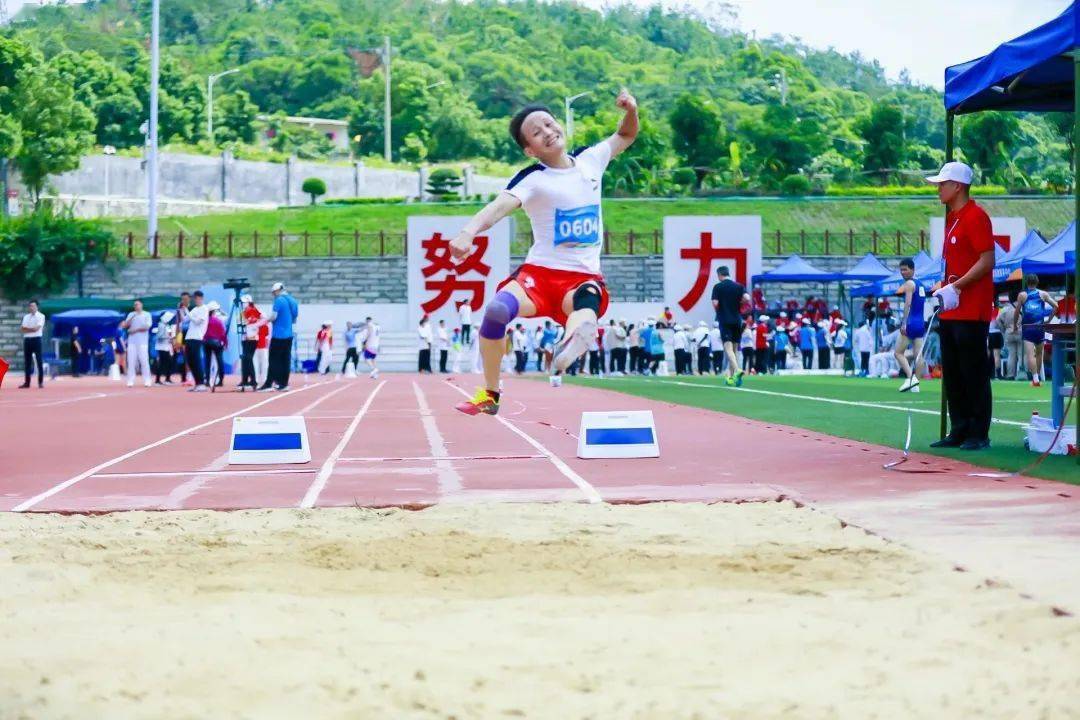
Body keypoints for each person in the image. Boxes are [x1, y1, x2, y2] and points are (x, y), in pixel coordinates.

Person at [450, 88, 638, 414]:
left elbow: (626, 133)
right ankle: (490, 394)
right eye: (537, 133)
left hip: (580, 278)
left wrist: (631, 109)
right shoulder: (532, 179)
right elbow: (498, 207)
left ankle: (570, 343)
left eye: (550, 125)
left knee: (586, 302)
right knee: (495, 313)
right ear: (529, 149)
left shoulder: (591, 160)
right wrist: (468, 232)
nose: (548, 133)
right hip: (537, 276)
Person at [928, 161, 996, 451]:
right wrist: (944, 286)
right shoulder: (953, 219)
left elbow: (987, 260)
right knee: (953, 370)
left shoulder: (976, 217)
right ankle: (960, 428)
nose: (938, 189)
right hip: (952, 306)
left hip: (972, 308)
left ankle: (978, 432)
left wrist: (956, 286)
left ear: (957, 186)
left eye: (943, 184)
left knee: (973, 370)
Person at [1014, 273, 1058, 388]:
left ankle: (1035, 379)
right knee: (1039, 354)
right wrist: (1049, 320)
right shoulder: (1043, 294)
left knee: (1030, 354)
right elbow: (1056, 306)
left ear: (1026, 283)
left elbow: (1016, 311)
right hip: (1040, 327)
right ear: (1037, 282)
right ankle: (1037, 377)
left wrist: (1014, 325)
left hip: (1028, 327)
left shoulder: (1022, 295)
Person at [892, 258, 928, 392]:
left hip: (911, 322)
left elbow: (908, 304)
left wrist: (904, 322)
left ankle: (910, 378)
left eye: (905, 269)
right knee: (919, 355)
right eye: (901, 270)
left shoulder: (909, 284)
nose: (903, 272)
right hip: (920, 323)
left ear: (912, 269)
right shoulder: (921, 285)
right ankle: (916, 384)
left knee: (898, 353)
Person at [711, 266, 749, 386]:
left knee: (728, 349)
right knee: (735, 349)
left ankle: (737, 371)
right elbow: (747, 298)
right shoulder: (739, 286)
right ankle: (734, 378)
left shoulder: (718, 287)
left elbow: (715, 303)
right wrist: (739, 302)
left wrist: (720, 308)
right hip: (737, 320)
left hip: (725, 320)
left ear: (719, 274)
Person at [259, 282, 299, 392]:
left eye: (274, 292)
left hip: (278, 335)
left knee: (273, 360)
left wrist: (264, 321)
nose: (273, 295)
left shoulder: (279, 300)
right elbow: (295, 317)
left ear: (278, 290)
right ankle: (283, 383)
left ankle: (269, 383)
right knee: (285, 360)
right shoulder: (292, 300)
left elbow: (273, 316)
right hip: (289, 335)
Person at [121, 298, 153, 388]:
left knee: (144, 361)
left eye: (138, 304)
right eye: (135, 305)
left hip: (142, 342)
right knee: (131, 361)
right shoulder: (131, 314)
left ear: (141, 305)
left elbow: (147, 327)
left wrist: (136, 330)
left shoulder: (147, 314)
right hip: (132, 342)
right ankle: (130, 380)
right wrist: (130, 320)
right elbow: (125, 325)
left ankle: (147, 380)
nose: (136, 306)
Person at [184, 291, 210, 392]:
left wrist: (186, 311)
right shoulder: (195, 309)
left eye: (196, 298)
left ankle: (201, 383)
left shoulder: (204, 309)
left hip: (197, 337)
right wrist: (182, 310)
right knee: (190, 361)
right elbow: (185, 319)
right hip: (189, 337)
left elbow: (197, 321)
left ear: (201, 298)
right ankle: (197, 383)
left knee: (196, 360)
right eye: (194, 298)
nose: (195, 300)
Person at [241, 296, 268, 390]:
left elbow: (265, 320)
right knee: (251, 361)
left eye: (245, 302)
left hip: (256, 340)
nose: (243, 304)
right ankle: (252, 380)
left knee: (261, 362)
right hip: (247, 339)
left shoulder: (256, 310)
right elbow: (242, 324)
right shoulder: (242, 312)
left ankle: (261, 380)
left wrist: (255, 325)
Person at [19, 300, 46, 389]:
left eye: (33, 306)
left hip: (36, 339)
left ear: (37, 307)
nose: (31, 308)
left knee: (39, 360)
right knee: (27, 362)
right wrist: (31, 329)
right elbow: (22, 329)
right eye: (30, 306)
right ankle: (27, 382)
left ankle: (40, 382)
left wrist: (28, 329)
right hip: (27, 340)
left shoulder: (41, 316)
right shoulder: (26, 317)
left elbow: (37, 329)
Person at [203, 301, 228, 388]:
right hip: (217, 343)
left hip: (206, 342)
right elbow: (223, 334)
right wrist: (225, 343)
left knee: (208, 361)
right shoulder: (218, 321)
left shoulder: (205, 321)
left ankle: (207, 380)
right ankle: (220, 380)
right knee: (219, 361)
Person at [997, 298, 1022, 381]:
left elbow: (998, 320)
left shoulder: (1005, 308)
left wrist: (1003, 330)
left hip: (1009, 332)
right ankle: (1022, 374)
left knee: (1011, 355)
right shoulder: (1022, 307)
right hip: (1021, 332)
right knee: (1021, 355)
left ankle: (1010, 374)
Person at [154, 311, 176, 385]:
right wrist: (168, 337)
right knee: (162, 363)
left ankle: (167, 379)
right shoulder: (161, 325)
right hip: (161, 347)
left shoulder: (166, 325)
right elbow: (159, 336)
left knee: (168, 362)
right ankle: (158, 380)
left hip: (167, 346)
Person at [987, 301, 1004, 379]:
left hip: (988, 334)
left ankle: (987, 373)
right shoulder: (999, 311)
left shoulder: (986, 312)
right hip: (997, 333)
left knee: (987, 354)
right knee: (996, 355)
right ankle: (998, 374)